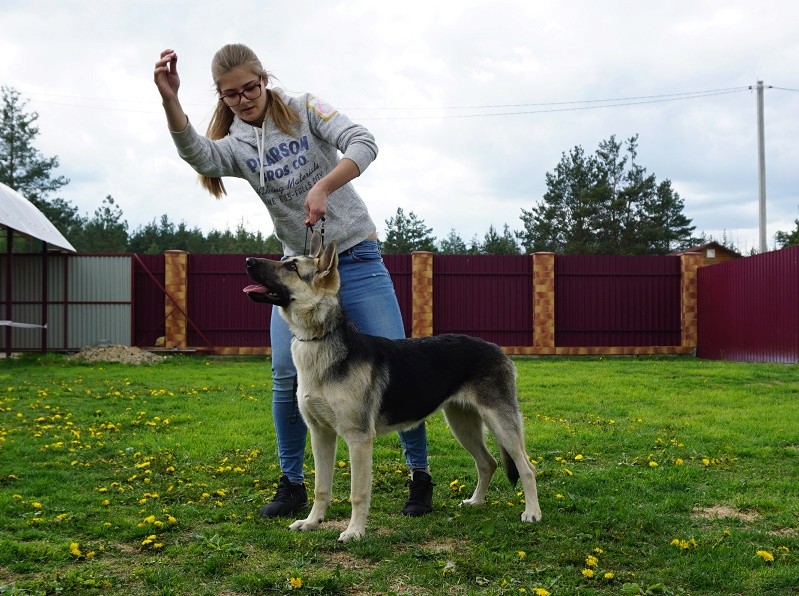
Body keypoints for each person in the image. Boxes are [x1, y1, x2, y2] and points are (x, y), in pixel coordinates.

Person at [153, 43, 434, 518]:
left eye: (250, 87)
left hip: (357, 257)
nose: (244, 99)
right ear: (221, 98)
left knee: (395, 358)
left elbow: (364, 142)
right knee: (286, 374)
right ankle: (293, 485)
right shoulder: (238, 145)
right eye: (231, 95)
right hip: (298, 269)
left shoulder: (306, 109)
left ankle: (419, 476)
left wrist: (323, 186)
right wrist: (170, 100)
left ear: (265, 78)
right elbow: (199, 156)